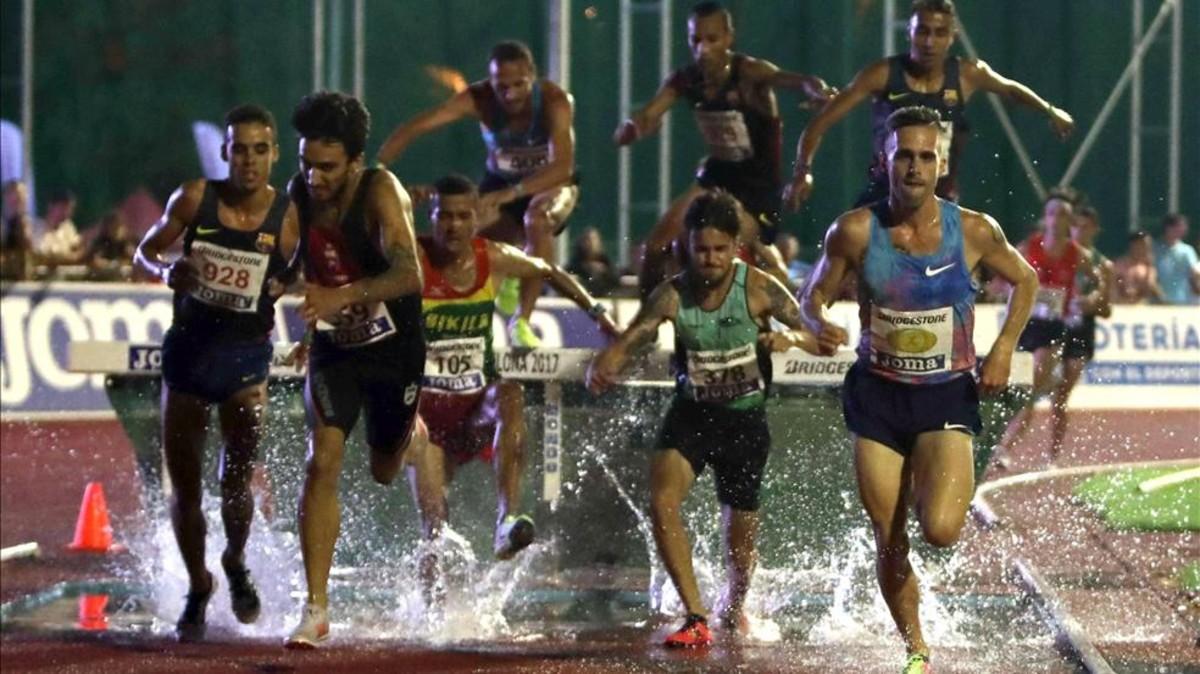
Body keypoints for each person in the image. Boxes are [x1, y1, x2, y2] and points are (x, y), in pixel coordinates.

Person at [798, 106, 1037, 673]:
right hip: (876, 396)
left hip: (944, 395)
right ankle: (917, 650)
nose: (914, 166)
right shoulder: (854, 230)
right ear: (885, 161)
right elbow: (812, 294)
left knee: (941, 530)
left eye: (925, 156)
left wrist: (1002, 348)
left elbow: (1025, 279)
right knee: (889, 535)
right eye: (904, 154)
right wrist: (816, 322)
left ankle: (921, 626)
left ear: (942, 163)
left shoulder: (974, 230)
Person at [587, 190, 823, 648]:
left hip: (745, 424)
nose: (710, 260)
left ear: (735, 247)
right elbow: (635, 335)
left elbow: (820, 337)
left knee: (740, 550)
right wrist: (609, 361)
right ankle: (696, 616)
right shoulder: (672, 294)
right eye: (701, 250)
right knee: (662, 500)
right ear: (686, 248)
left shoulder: (757, 288)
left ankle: (733, 607)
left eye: (719, 250)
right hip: (691, 416)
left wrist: (791, 338)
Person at [408, 174, 619, 601]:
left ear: (477, 219)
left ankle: (508, 518)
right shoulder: (413, 259)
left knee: (511, 392)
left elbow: (549, 271)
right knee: (433, 523)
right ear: (431, 219)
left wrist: (601, 317)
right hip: (424, 415)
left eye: (462, 216)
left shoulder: (494, 258)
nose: (452, 226)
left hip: (474, 405)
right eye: (443, 216)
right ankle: (428, 616)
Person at [133, 104, 298, 642]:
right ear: (225, 151)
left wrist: (285, 285)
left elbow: (309, 270)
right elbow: (145, 250)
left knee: (237, 472)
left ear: (273, 154)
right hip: (189, 353)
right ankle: (198, 584)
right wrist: (166, 270)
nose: (248, 160)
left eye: (259, 149)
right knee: (184, 486)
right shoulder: (195, 197)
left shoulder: (289, 215)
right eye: (239, 148)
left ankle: (234, 560)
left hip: (247, 355)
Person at [284, 91, 428, 649]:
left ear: (356, 161)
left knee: (384, 469)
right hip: (336, 350)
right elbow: (292, 262)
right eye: (305, 163)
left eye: (327, 166)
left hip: (395, 347)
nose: (314, 177)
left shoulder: (380, 190)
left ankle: (411, 435)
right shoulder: (298, 192)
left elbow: (409, 273)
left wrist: (342, 295)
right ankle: (316, 608)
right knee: (322, 457)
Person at [614, 1, 835, 298]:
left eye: (712, 39)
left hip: (757, 190)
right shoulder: (686, 79)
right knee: (655, 247)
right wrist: (632, 127)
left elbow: (793, 80)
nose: (703, 49)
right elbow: (650, 112)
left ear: (729, 38)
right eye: (695, 40)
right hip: (717, 176)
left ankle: (774, 298)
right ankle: (645, 324)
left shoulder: (748, 73)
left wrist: (816, 88)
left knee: (706, 249)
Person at [377, 41, 577, 347]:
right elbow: (418, 126)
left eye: (519, 85)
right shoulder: (478, 98)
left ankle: (521, 321)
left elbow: (563, 166)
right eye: (501, 86)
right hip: (499, 181)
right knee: (462, 236)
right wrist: (379, 167)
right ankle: (445, 309)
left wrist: (513, 193)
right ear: (490, 82)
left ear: (532, 77)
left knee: (536, 220)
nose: (509, 95)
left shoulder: (553, 100)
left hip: (549, 184)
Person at [784, 0, 1074, 211]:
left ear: (952, 37)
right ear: (908, 32)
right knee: (842, 250)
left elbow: (1010, 89)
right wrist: (802, 173)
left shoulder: (967, 74)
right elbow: (818, 125)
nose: (929, 42)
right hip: (884, 193)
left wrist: (1049, 110)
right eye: (922, 31)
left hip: (940, 197)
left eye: (939, 33)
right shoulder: (882, 74)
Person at [994, 193, 1096, 469]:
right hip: (1025, 324)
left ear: (1069, 220)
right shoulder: (1029, 247)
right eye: (1052, 213)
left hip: (1053, 326)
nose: (1056, 219)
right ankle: (1008, 446)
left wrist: (1088, 299)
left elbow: (1101, 278)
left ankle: (1015, 450)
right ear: (1045, 217)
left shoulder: (1077, 253)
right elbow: (1002, 275)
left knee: (1038, 390)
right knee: (1020, 390)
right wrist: (1008, 290)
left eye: (1062, 214)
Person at [1050, 205, 1112, 462]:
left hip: (1081, 332)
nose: (1080, 230)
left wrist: (1090, 303)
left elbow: (1106, 310)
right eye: (1076, 225)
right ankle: (1005, 446)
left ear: (1095, 230)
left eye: (1086, 226)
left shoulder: (1102, 264)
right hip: (1052, 327)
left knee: (1061, 395)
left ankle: (1052, 455)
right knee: (1029, 392)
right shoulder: (1058, 253)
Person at [1154, 213, 1200, 305]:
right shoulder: (1154, 248)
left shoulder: (1187, 250)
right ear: (1168, 228)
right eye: (1180, 226)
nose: (1184, 229)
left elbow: (1195, 273)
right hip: (1157, 302)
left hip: (1182, 301)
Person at [1113, 230, 1164, 304]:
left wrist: (1149, 269)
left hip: (1140, 309)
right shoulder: (1118, 265)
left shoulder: (1148, 269)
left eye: (1148, 246)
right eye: (1143, 245)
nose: (1146, 249)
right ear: (1133, 245)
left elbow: (1149, 289)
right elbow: (1113, 289)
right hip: (1120, 308)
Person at [566, 226, 619, 296]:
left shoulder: (605, 262)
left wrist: (604, 272)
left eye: (594, 239)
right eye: (587, 240)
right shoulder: (575, 264)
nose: (591, 243)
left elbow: (615, 280)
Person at [85, 210, 137, 280]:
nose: (114, 229)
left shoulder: (122, 242)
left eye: (117, 226)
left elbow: (133, 258)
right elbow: (94, 261)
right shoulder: (100, 242)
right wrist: (111, 265)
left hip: (117, 278)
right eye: (112, 225)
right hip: (100, 278)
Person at [37, 188, 83, 266]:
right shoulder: (36, 227)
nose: (66, 213)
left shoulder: (68, 227)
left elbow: (77, 249)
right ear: (51, 206)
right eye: (62, 208)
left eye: (70, 209)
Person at [1, 180, 35, 281]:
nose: (17, 202)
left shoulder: (32, 225)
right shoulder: (2, 225)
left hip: (23, 281)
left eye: (21, 198)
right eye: (14, 198)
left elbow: (32, 249)